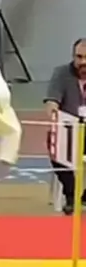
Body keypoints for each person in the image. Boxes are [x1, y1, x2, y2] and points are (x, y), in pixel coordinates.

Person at [44, 38, 86, 215]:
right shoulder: (61, 73)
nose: (83, 62)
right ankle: (71, 194)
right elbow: (52, 101)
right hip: (68, 129)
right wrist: (54, 112)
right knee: (55, 144)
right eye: (79, 57)